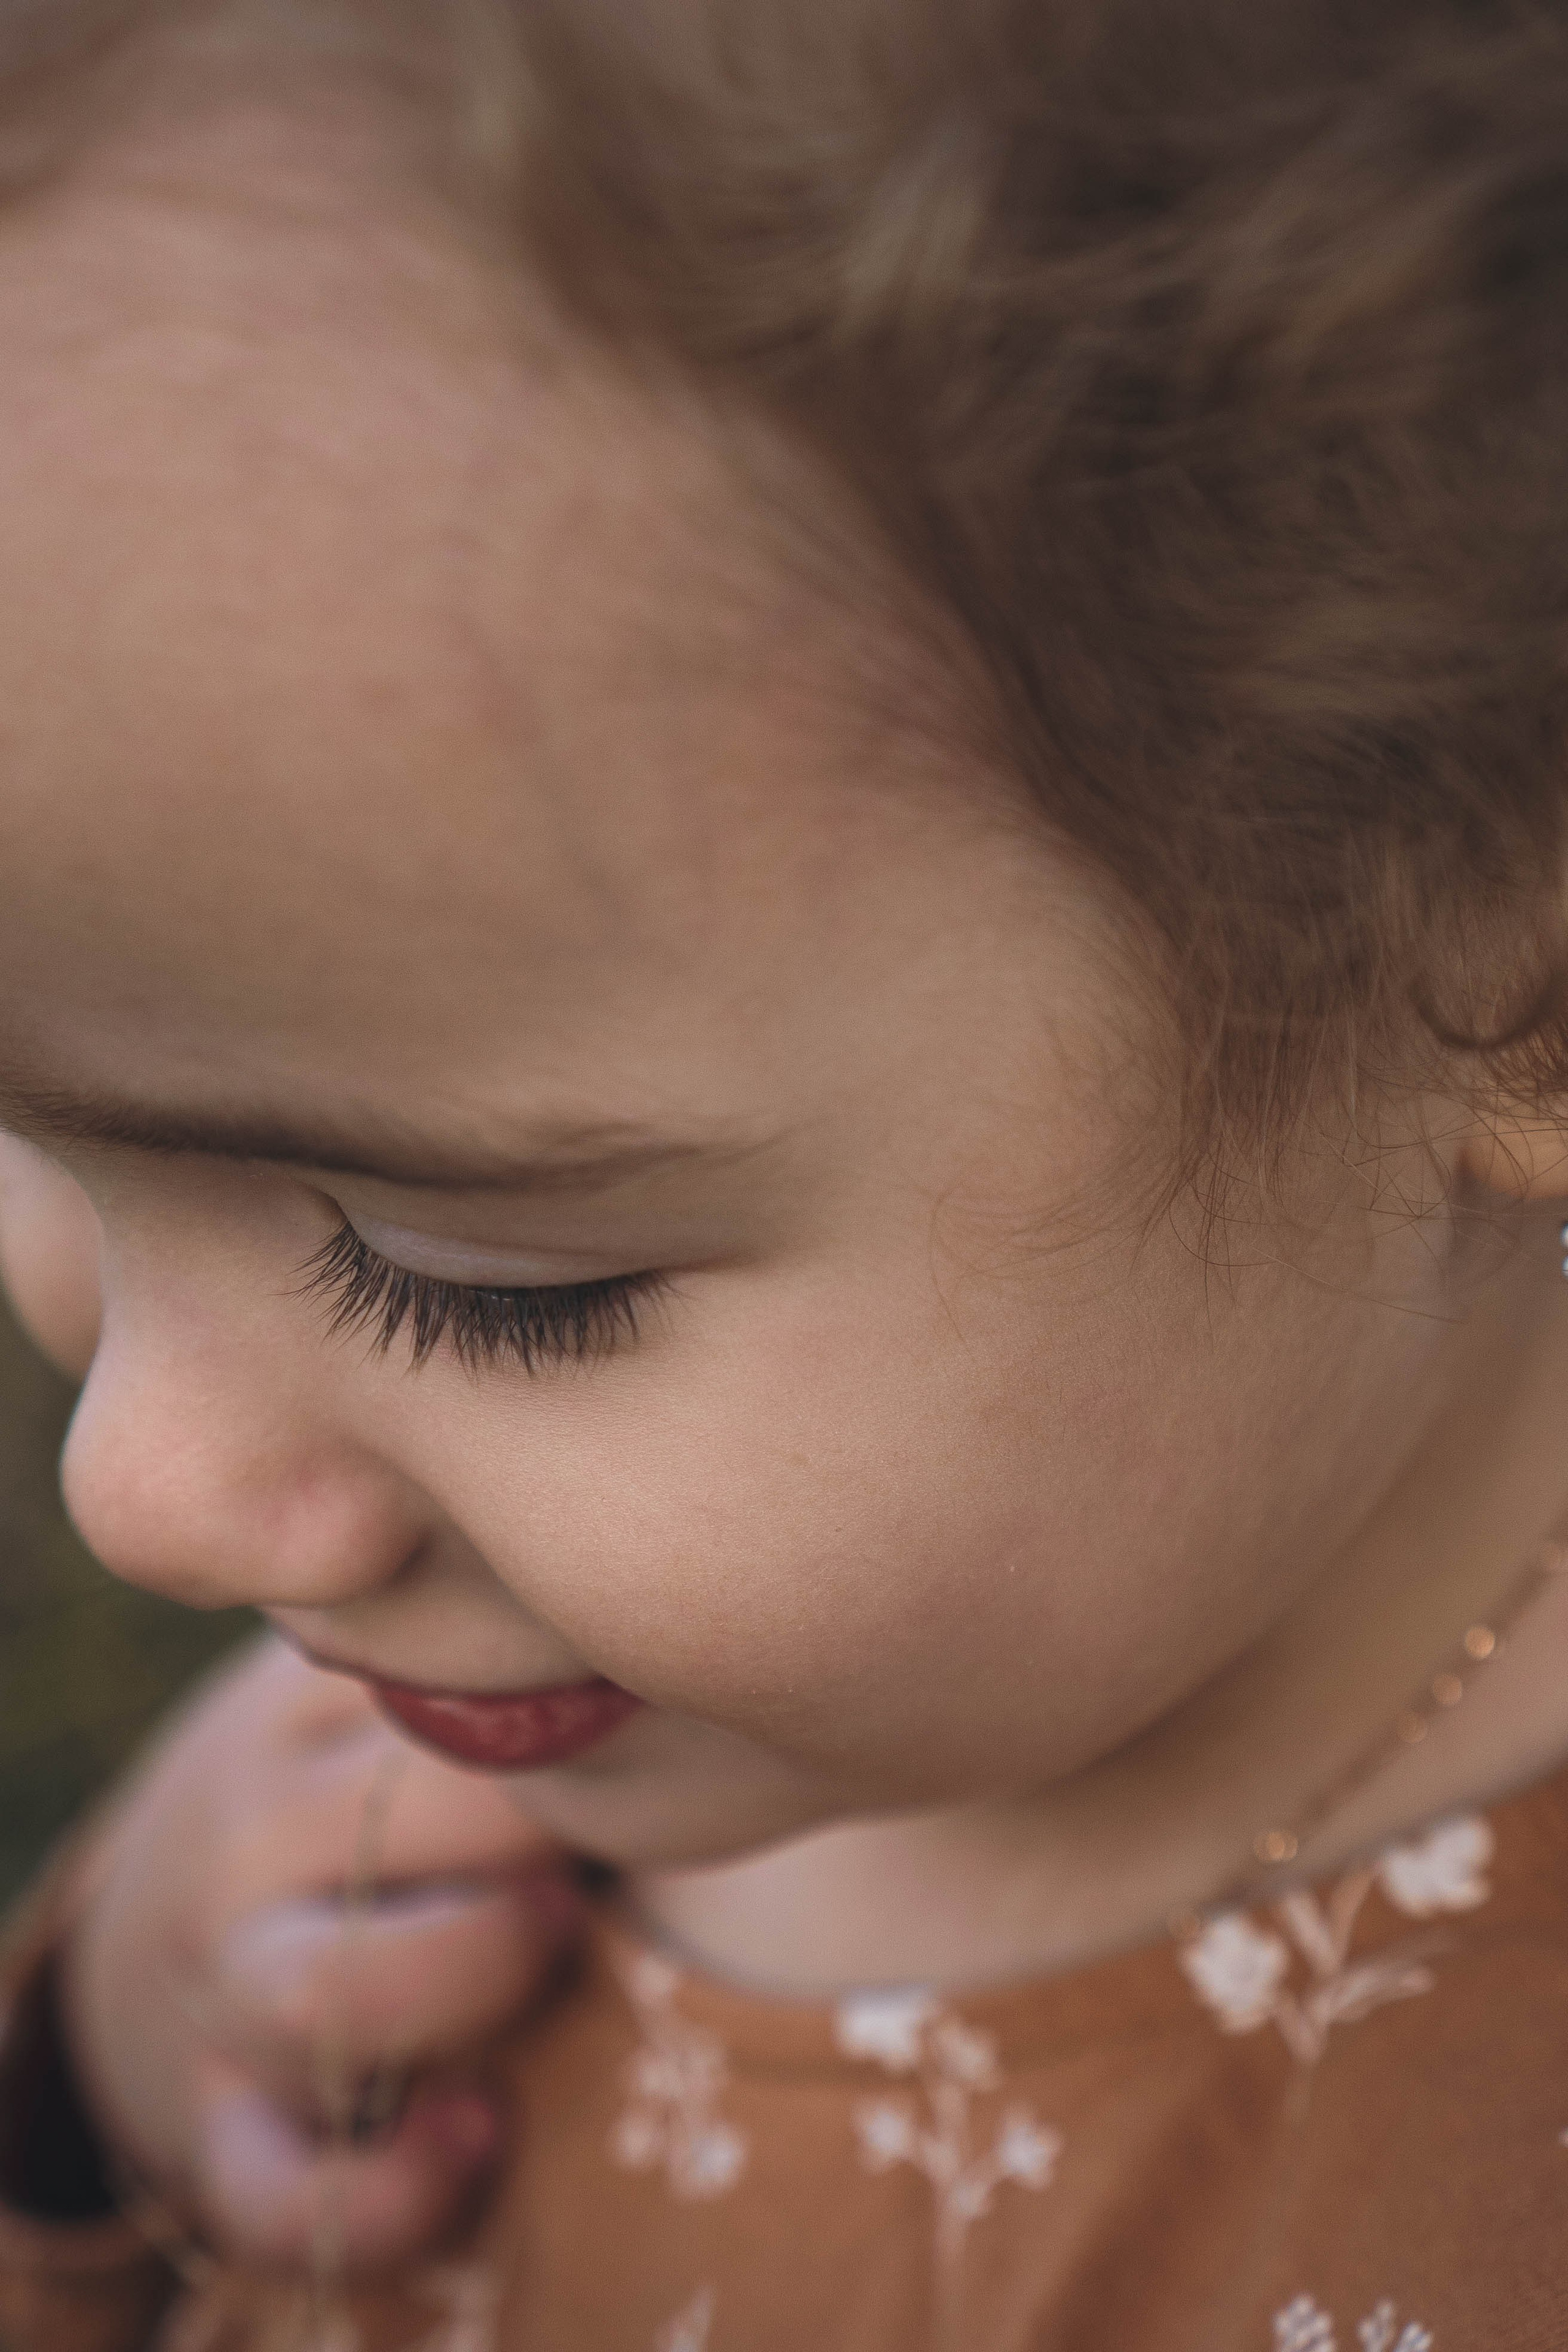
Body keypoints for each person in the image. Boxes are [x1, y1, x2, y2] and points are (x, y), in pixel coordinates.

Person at [1, 0, 1567, 2343]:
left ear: (1498, 962)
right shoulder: (432, 1737)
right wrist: (96, 2084)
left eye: (476, 1282)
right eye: (32, 1142)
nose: (148, 1490)